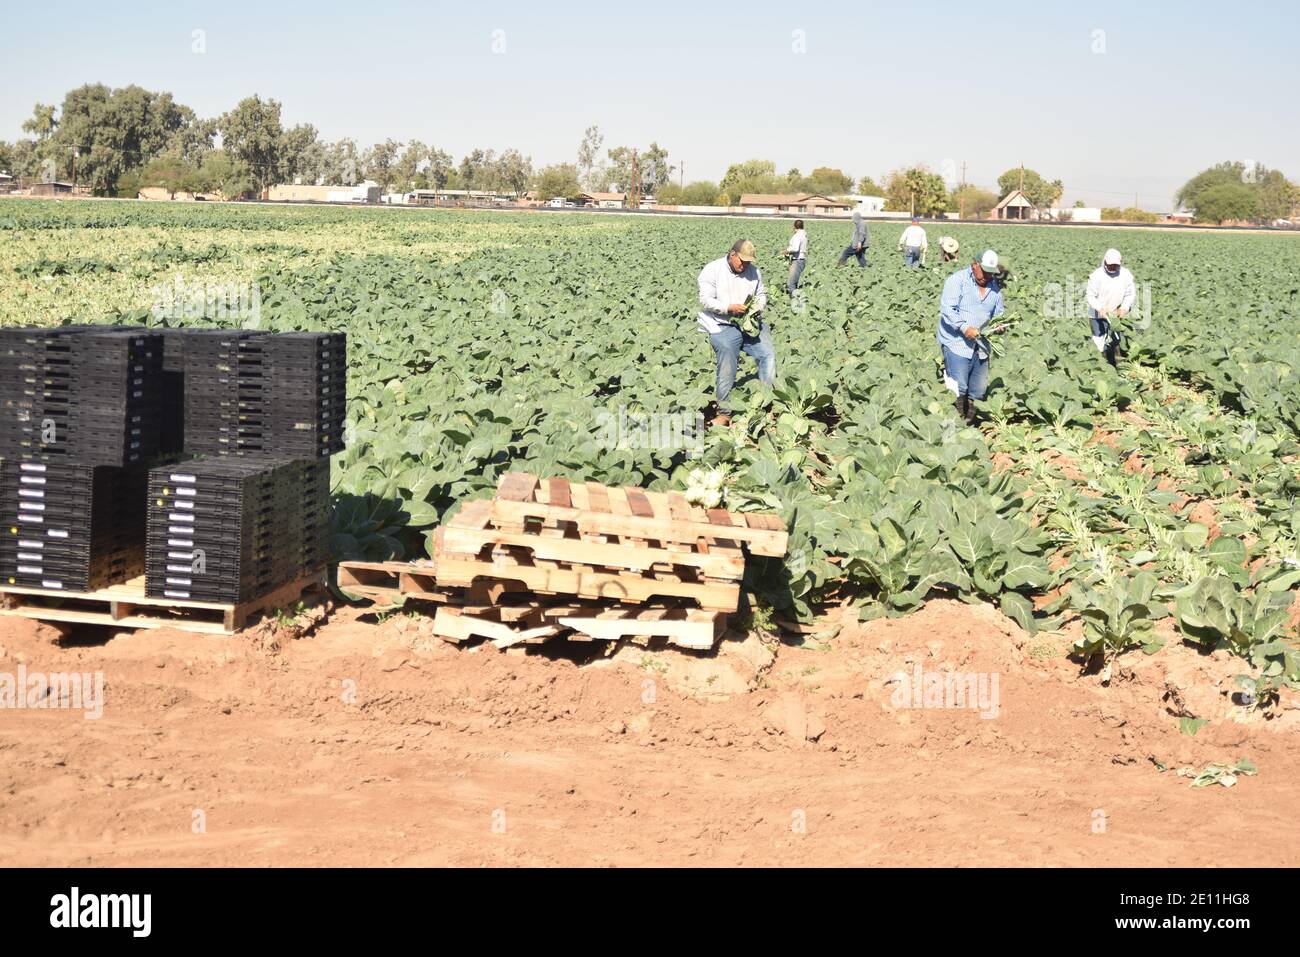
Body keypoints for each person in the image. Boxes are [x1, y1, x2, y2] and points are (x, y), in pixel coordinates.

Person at [697, 239, 775, 427]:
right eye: (742, 261)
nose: (746, 265)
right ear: (732, 254)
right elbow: (706, 300)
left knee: (768, 355)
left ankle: (766, 405)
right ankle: (724, 412)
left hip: (749, 323)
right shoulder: (712, 269)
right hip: (722, 323)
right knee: (728, 363)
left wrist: (758, 306)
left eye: (749, 262)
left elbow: (761, 294)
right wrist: (728, 308)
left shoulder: (754, 272)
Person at [937, 249, 1006, 425]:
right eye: (984, 271)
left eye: (991, 273)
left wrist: (1000, 325)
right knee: (958, 385)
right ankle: (955, 422)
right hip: (957, 343)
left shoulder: (994, 287)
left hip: (981, 345)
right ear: (974, 264)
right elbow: (947, 309)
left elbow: (999, 312)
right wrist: (963, 327)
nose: (988, 276)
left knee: (979, 389)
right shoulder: (957, 280)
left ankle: (970, 421)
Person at [1085, 248, 1136, 366]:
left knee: (1117, 341)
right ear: (1105, 262)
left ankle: (1119, 366)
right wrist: (1100, 308)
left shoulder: (1125, 274)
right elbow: (1090, 296)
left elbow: (1130, 294)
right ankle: (1103, 366)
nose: (1113, 267)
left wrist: (1124, 308)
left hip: (1116, 315)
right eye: (1110, 265)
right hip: (1097, 315)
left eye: (1115, 265)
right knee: (1100, 342)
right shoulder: (1096, 276)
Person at [783, 219, 808, 294]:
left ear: (794, 227)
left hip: (797, 261)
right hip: (801, 260)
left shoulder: (798, 236)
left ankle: (796, 302)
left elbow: (795, 248)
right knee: (794, 283)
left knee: (791, 284)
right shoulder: (804, 235)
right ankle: (796, 300)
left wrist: (787, 250)